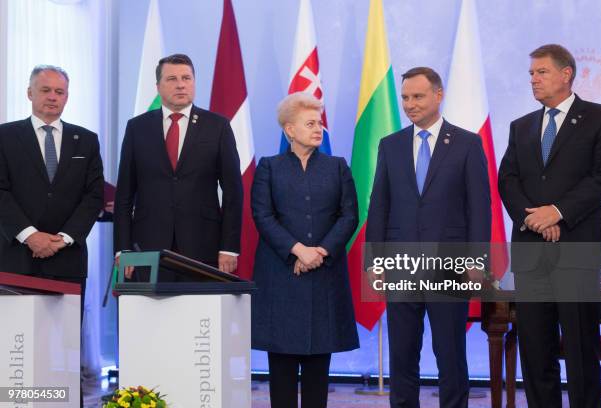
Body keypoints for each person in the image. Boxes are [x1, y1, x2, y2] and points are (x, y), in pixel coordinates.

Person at [366, 67, 491, 408]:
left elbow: (480, 207)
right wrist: (374, 261)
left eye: (417, 96)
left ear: (439, 95)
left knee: (450, 354)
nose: (409, 104)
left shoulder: (467, 143)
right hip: (401, 265)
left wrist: (477, 260)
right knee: (403, 356)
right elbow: (379, 205)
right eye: (405, 97)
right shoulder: (390, 145)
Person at [498, 44, 601, 408]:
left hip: (578, 251)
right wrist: (533, 217)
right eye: (531, 73)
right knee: (535, 351)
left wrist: (558, 211)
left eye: (541, 72)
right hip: (532, 253)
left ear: (566, 74)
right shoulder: (521, 126)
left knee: (580, 351)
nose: (533, 79)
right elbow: (508, 180)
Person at [251, 92, 359, 408]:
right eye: (310, 123)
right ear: (290, 130)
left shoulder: (337, 167)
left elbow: (349, 215)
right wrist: (298, 250)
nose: (319, 128)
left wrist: (319, 252)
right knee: (281, 368)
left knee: (317, 369)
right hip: (281, 277)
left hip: (323, 277)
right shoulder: (268, 167)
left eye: (320, 122)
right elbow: (262, 215)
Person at [114, 54, 243, 279]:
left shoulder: (217, 126)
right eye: (172, 79)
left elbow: (233, 191)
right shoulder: (137, 128)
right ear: (158, 86)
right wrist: (123, 248)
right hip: (147, 246)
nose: (181, 84)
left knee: (199, 314)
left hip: (203, 245)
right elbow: (124, 194)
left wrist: (229, 247)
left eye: (187, 78)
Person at [0, 64, 103, 301]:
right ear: (29, 93)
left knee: (65, 338)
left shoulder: (86, 140)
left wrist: (63, 239)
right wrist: (30, 236)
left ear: (67, 97)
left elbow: (94, 195)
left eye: (59, 92)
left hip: (68, 260)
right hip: (16, 258)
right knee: (15, 337)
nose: (53, 97)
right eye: (46, 90)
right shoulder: (5, 137)